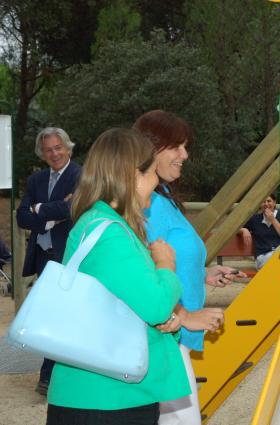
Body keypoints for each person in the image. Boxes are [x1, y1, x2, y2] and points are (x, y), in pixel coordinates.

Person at [46, 128, 189, 425]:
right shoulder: (110, 233)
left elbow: (133, 302)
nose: (155, 182)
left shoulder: (103, 224)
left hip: (105, 395)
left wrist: (167, 320)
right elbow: (155, 304)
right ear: (132, 176)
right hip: (106, 399)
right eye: (151, 174)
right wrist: (166, 265)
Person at [134, 109, 245, 425]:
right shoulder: (148, 204)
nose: (185, 154)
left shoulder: (163, 196)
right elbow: (147, 271)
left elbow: (171, 258)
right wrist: (182, 315)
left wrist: (204, 274)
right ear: (151, 149)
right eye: (177, 146)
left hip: (174, 335)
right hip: (166, 336)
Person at [16, 127, 82, 396]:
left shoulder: (82, 175)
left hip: (69, 256)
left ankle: (51, 374)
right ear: (41, 153)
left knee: (66, 314)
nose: (54, 153)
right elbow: (22, 218)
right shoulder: (36, 180)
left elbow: (73, 208)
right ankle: (51, 374)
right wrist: (53, 214)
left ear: (68, 147)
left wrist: (40, 209)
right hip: (44, 258)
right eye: (48, 149)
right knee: (49, 315)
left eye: (58, 147)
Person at [239, 193, 280, 270]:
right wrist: (244, 230)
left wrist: (273, 220)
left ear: (274, 202)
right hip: (263, 258)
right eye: (263, 202)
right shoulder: (255, 219)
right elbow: (237, 228)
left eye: (269, 201)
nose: (266, 204)